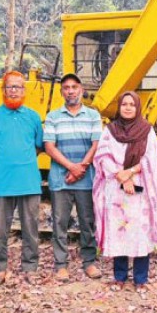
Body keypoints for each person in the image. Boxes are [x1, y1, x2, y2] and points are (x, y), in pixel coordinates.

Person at [92, 91, 157, 292]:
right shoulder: (110, 130)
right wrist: (120, 176)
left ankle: (140, 279)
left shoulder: (146, 130)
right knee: (119, 231)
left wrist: (130, 173)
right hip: (116, 191)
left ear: (137, 107)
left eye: (132, 104)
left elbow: (151, 159)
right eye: (124, 104)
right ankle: (119, 276)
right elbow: (102, 157)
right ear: (119, 107)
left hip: (140, 191)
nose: (127, 107)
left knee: (140, 233)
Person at [0, 71, 44, 287]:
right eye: (10, 87)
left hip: (28, 182)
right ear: (3, 90)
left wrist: (21, 162)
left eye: (18, 87)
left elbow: (37, 147)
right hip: (1, 183)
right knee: (0, 231)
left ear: (24, 91)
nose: (14, 90)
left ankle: (30, 267)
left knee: (31, 229)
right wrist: (2, 165)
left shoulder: (33, 117)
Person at [43, 73, 103, 282]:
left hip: (86, 180)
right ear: (62, 92)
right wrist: (71, 167)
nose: (70, 91)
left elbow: (96, 145)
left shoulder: (93, 116)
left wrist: (81, 168)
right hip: (60, 180)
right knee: (60, 222)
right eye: (66, 87)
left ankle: (89, 262)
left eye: (74, 87)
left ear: (81, 90)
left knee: (88, 221)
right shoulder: (53, 117)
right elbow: (49, 146)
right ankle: (61, 264)